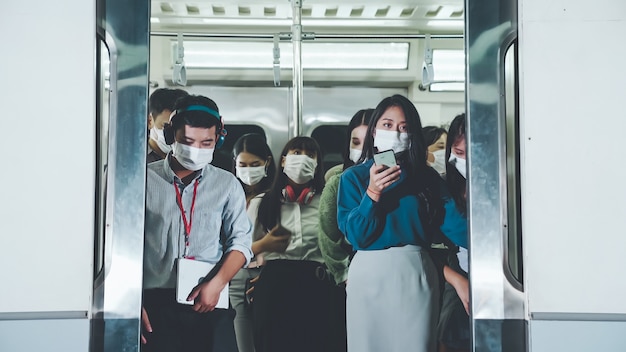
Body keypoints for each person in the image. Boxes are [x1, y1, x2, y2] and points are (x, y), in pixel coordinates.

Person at [336, 94, 467, 352]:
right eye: (387, 125)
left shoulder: (426, 178)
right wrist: (372, 194)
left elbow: (457, 227)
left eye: (404, 128)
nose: (396, 133)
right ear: (374, 131)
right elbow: (357, 237)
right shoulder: (354, 178)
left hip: (414, 272)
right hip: (368, 274)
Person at [141, 94, 253, 352]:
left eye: (207, 143)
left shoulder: (227, 185)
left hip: (211, 297)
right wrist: (133, 303)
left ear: (219, 138)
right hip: (156, 303)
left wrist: (216, 285)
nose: (196, 150)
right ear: (171, 135)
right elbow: (123, 245)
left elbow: (241, 243)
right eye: (187, 141)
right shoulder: (144, 180)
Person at [246, 136, 340, 352]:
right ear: (283, 160)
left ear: (317, 164)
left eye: (310, 155)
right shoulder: (262, 203)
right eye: (296, 152)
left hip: (317, 285)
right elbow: (240, 253)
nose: (302, 159)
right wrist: (264, 246)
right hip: (275, 285)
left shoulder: (328, 202)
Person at [228, 133, 276, 352]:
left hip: (263, 274)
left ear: (267, 162)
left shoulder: (274, 197)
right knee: (243, 342)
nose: (248, 170)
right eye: (243, 164)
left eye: (255, 164)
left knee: (269, 337)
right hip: (234, 275)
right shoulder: (230, 194)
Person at [318, 108, 374, 286]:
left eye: (368, 143)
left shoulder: (394, 179)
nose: (361, 150)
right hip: (353, 265)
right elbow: (328, 237)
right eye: (355, 143)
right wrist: (344, 274)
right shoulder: (338, 182)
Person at [437, 113, 470, 352]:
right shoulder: (441, 190)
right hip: (453, 274)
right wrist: (457, 280)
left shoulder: (506, 187)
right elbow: (423, 245)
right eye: (459, 154)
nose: (466, 160)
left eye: (472, 154)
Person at [147, 88, 189, 163]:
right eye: (166, 125)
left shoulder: (193, 160)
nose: (174, 133)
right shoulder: (137, 159)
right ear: (149, 121)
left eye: (180, 126)